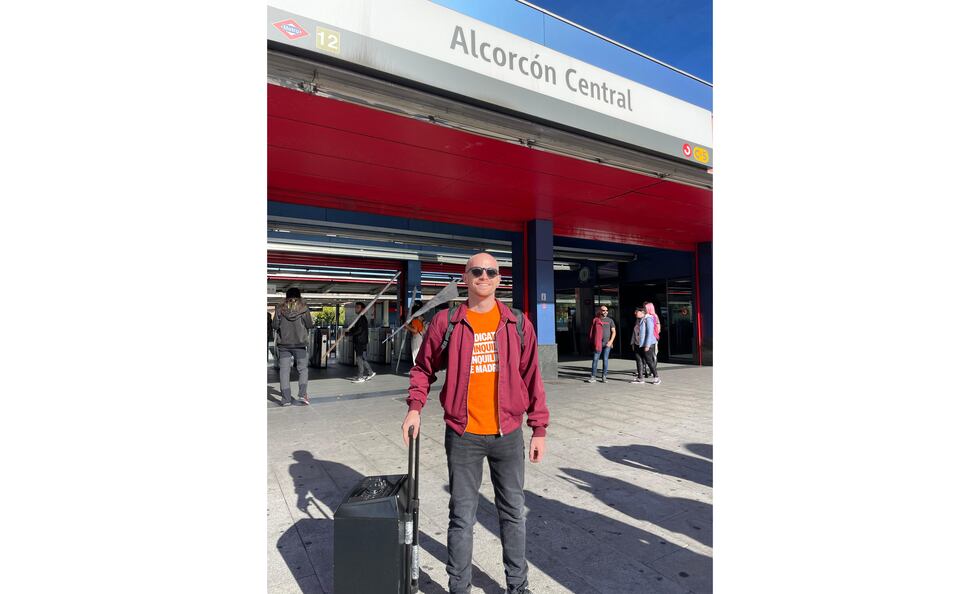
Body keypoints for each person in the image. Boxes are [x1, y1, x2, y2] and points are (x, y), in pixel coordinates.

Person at [401, 252, 548, 594]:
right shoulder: (446, 322)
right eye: (476, 271)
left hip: (507, 434)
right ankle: (459, 586)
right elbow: (423, 368)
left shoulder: (518, 323)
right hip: (463, 433)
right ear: (464, 278)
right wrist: (414, 407)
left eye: (491, 271)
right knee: (462, 516)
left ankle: (517, 585)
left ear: (499, 279)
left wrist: (538, 428)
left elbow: (532, 377)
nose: (484, 276)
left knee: (513, 514)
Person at [272, 288, 314, 405]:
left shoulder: (280, 308)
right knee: (302, 369)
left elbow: (275, 325)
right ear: (299, 296)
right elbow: (310, 325)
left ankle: (286, 399)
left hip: (284, 345)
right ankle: (302, 395)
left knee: (284, 371)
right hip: (300, 344)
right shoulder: (304, 308)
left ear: (287, 296)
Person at [630, 305, 660, 385]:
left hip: (647, 344)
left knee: (649, 360)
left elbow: (650, 333)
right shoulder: (638, 320)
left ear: (642, 312)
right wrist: (633, 342)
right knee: (639, 360)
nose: (635, 313)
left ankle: (656, 377)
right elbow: (635, 332)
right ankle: (640, 378)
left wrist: (647, 345)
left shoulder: (648, 319)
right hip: (638, 344)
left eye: (637, 312)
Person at [586, 305, 616, 383]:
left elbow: (614, 332)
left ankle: (604, 376)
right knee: (595, 359)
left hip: (607, 344)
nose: (605, 312)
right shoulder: (596, 320)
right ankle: (593, 376)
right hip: (598, 343)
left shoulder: (610, 320)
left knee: (605, 359)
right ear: (600, 311)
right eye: (603, 310)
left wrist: (611, 341)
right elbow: (592, 332)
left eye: (606, 310)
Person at [348, 301, 375, 383]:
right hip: (361, 340)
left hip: (360, 341)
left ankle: (360, 376)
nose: (356, 309)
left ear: (362, 309)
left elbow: (359, 330)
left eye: (358, 307)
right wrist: (349, 330)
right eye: (355, 307)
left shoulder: (361, 318)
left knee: (359, 358)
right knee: (362, 358)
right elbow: (357, 329)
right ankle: (370, 372)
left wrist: (349, 333)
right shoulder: (360, 318)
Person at [640, 301, 663, 376]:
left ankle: (654, 373)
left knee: (652, 356)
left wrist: (648, 343)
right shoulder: (646, 316)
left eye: (645, 307)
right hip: (650, 339)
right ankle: (648, 371)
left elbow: (653, 329)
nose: (644, 309)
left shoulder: (652, 317)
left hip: (652, 338)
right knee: (648, 357)